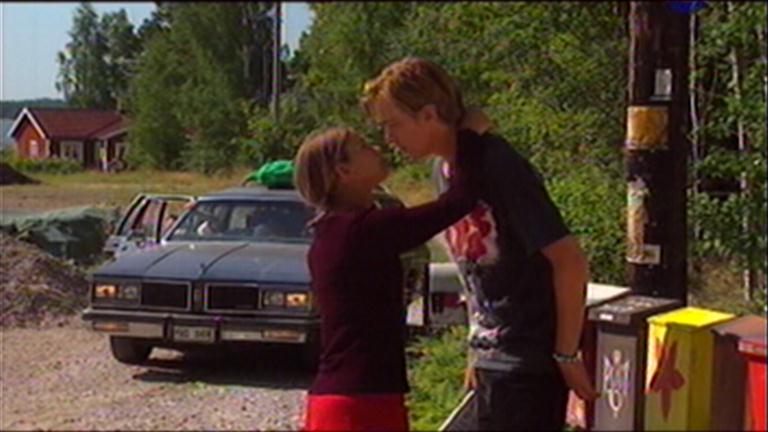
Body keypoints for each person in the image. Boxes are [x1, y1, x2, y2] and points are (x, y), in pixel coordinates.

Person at [361, 57, 599, 431]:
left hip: (526, 363)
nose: (389, 139)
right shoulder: (444, 172)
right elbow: (472, 273)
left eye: (393, 124)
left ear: (428, 114)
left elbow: (568, 259)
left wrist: (566, 354)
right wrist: (476, 348)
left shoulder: (497, 163)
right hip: (491, 357)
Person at [293, 126, 482, 432]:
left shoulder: (332, 232)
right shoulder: (363, 230)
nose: (377, 149)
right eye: (364, 147)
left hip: (347, 396)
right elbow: (458, 202)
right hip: (359, 403)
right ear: (344, 171)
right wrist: (470, 137)